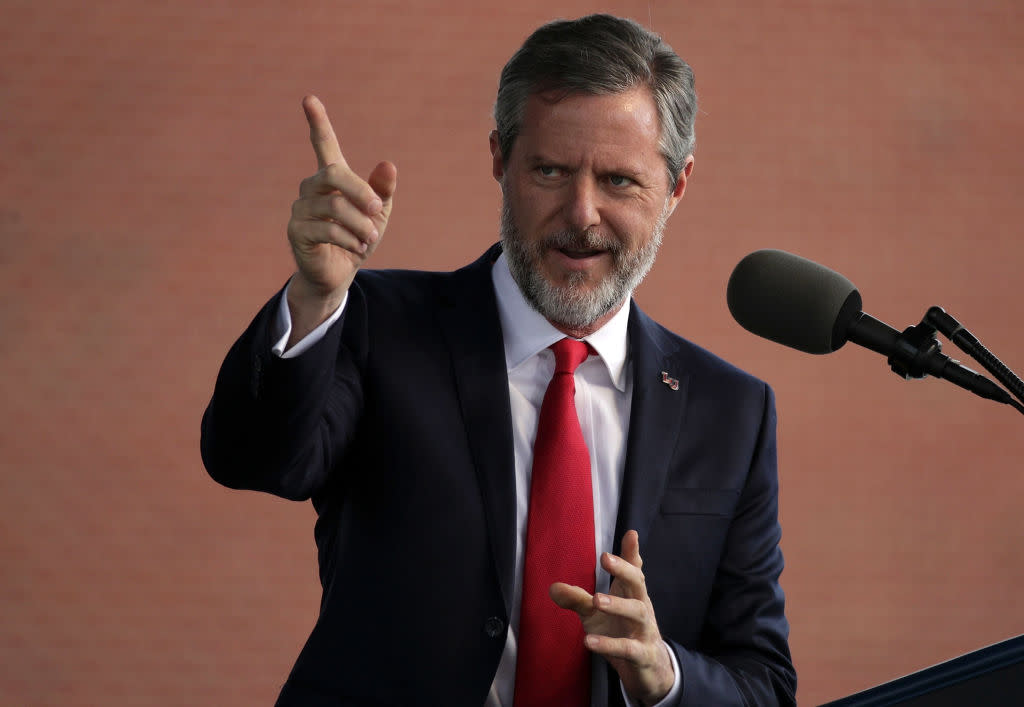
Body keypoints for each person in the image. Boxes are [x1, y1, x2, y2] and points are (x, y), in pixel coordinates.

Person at [201, 13, 795, 707]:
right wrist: (313, 295)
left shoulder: (732, 412)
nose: (582, 213)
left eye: (619, 181)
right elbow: (252, 457)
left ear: (677, 186)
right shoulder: (376, 325)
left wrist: (663, 674)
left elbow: (763, 684)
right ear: (499, 160)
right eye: (550, 169)